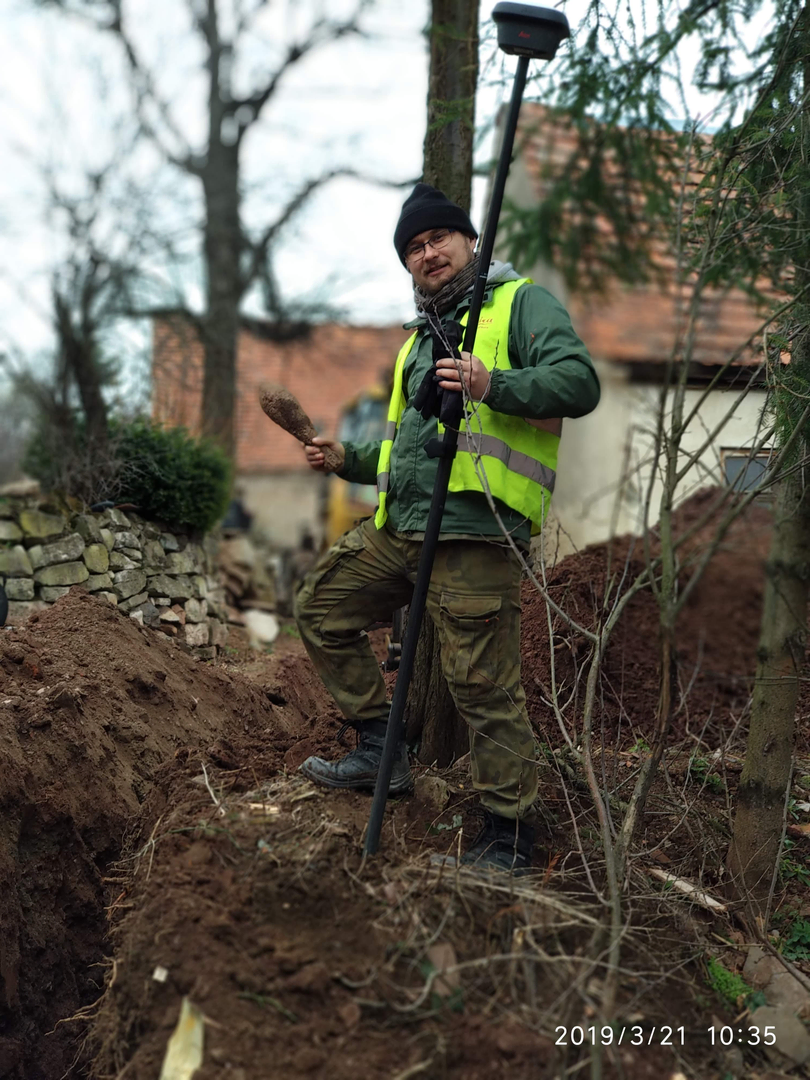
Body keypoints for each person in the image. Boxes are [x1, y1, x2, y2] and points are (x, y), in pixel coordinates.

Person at [294, 183, 600, 873]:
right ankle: (383, 751)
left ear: (468, 242)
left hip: (477, 529)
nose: (427, 254)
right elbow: (409, 451)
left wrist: (496, 384)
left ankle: (511, 836)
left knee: (482, 689)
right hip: (403, 527)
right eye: (413, 248)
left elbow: (579, 383)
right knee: (320, 606)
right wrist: (346, 459)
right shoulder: (417, 344)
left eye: (437, 239)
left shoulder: (519, 304)